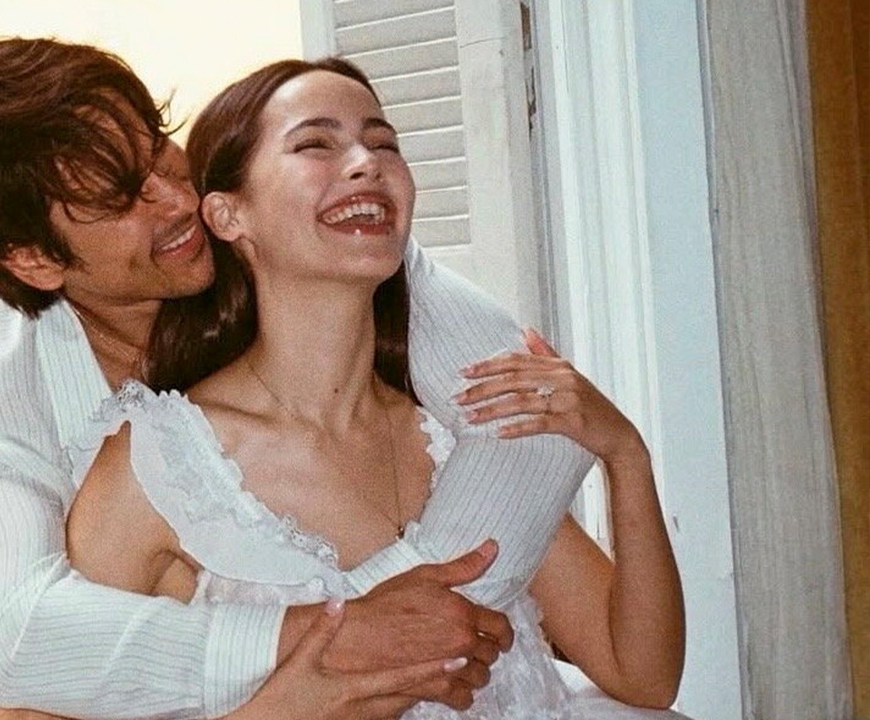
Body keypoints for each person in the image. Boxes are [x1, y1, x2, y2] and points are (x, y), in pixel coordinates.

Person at [0, 38, 593, 718]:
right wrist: (338, 632)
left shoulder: (276, 228)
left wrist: (421, 615)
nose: (177, 200)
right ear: (33, 259)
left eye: (158, 150)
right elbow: (22, 646)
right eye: (122, 196)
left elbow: (529, 418)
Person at [63, 57, 688, 719]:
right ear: (228, 214)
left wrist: (625, 454)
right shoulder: (162, 466)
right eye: (316, 144)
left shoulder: (464, 432)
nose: (367, 163)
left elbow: (643, 675)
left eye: (384, 143)